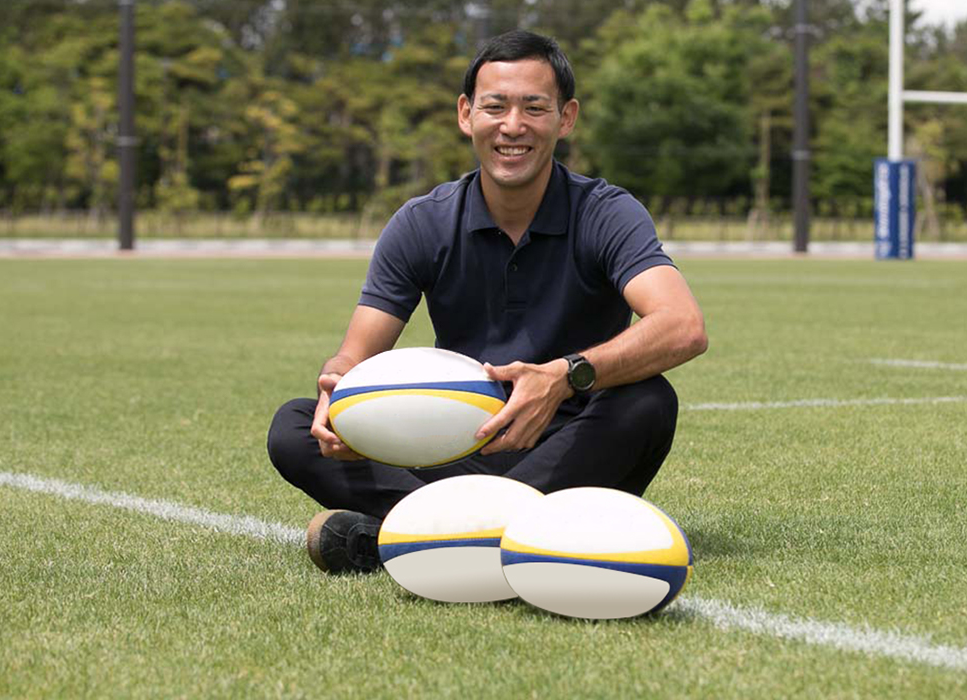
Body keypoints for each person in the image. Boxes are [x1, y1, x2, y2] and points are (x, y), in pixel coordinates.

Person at [266, 30, 708, 574]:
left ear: (565, 118)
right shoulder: (422, 222)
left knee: (647, 402)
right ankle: (516, 533)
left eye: (534, 108)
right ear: (465, 114)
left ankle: (407, 537)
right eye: (495, 107)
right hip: (448, 449)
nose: (513, 126)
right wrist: (334, 394)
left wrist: (564, 377)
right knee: (293, 426)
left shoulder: (605, 212)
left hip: (570, 448)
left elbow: (683, 325)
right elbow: (352, 357)